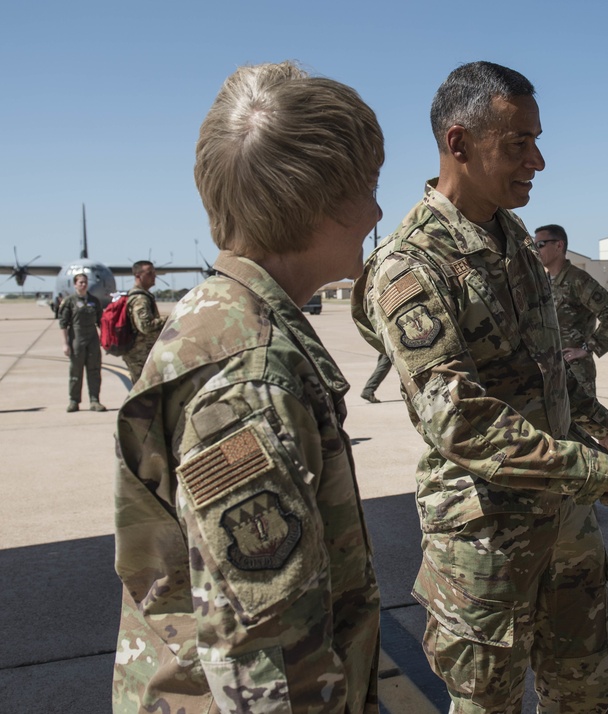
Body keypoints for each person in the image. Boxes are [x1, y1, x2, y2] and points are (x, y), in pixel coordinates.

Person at [352, 60, 608, 714]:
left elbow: (552, 372)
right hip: (487, 549)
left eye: (536, 139)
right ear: (459, 144)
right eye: (519, 144)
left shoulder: (514, 239)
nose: (539, 160)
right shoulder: (409, 264)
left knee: (585, 699)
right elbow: (460, 422)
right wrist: (602, 473)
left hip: (566, 533)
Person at [112, 61, 384, 713]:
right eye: (371, 187)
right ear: (322, 204)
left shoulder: (225, 319)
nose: (378, 210)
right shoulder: (251, 373)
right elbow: (266, 652)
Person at [534, 224, 608, 397]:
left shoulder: (577, 280)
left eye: (540, 245)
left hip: (575, 373)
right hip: (549, 372)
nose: (536, 250)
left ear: (559, 246)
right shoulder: (543, 282)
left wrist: (588, 347)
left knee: (585, 423)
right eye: (534, 246)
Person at [58, 272, 105, 412]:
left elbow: (101, 322)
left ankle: (94, 400)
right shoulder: (69, 301)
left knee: (94, 370)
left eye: (85, 282)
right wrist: (65, 343)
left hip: (92, 339)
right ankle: (74, 401)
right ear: (75, 285)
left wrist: (103, 338)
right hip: (76, 339)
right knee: (75, 371)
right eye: (80, 282)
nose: (83, 285)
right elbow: (63, 324)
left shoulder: (94, 301)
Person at [121, 260, 165, 384]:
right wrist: (168, 320)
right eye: (149, 273)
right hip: (139, 355)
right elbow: (145, 326)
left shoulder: (143, 296)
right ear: (138, 276)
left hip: (144, 353)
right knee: (142, 393)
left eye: (154, 272)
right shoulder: (140, 299)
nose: (154, 276)